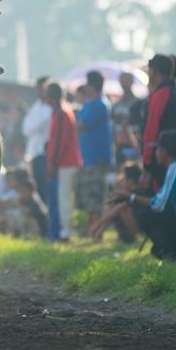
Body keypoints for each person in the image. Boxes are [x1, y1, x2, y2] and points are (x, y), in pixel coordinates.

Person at [113, 130, 176, 261]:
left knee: (146, 216)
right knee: (156, 250)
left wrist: (131, 197)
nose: (156, 153)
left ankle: (175, 254)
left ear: (165, 151)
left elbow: (160, 204)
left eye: (158, 149)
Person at [75, 70, 113, 234]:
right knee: (88, 196)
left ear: (92, 85)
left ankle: (96, 231)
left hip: (96, 158)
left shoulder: (101, 105)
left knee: (96, 197)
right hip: (86, 157)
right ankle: (93, 229)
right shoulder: (90, 104)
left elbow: (81, 125)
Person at [45, 80, 83, 241]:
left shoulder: (61, 112)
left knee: (64, 198)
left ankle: (66, 232)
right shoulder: (63, 110)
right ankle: (65, 230)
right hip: (67, 161)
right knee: (65, 197)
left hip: (65, 162)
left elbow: (59, 141)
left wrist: (52, 162)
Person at [142, 54, 176, 190]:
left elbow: (151, 130)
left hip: (161, 160)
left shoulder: (161, 94)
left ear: (154, 71)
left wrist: (147, 165)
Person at [87, 162, 144, 243]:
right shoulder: (126, 193)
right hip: (126, 231)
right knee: (115, 206)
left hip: (136, 230)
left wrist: (97, 224)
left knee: (121, 209)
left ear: (130, 181)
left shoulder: (138, 193)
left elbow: (118, 208)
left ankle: (136, 237)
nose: (120, 180)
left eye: (123, 178)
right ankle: (98, 234)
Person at [22, 76, 51, 203]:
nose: (40, 92)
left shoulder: (52, 107)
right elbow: (26, 128)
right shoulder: (37, 105)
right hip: (33, 154)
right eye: (38, 89)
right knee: (37, 190)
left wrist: (35, 125)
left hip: (45, 155)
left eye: (42, 89)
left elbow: (35, 125)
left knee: (46, 190)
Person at [112, 71, 141, 165]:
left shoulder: (138, 103)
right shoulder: (116, 105)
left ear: (132, 81)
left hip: (134, 144)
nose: (124, 83)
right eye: (122, 80)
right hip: (120, 145)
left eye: (126, 80)